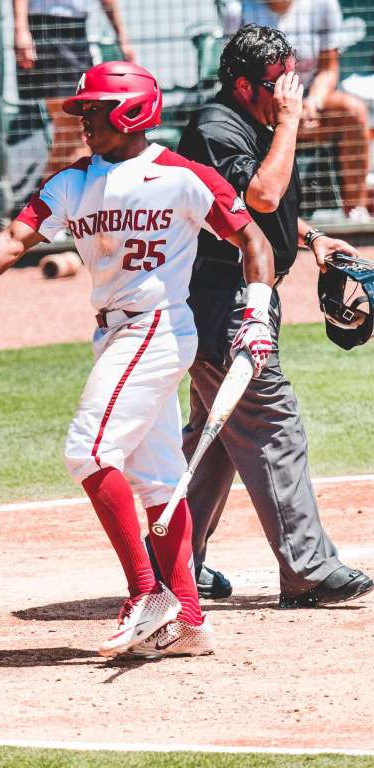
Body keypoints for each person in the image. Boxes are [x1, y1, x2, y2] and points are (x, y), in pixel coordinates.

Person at [0, 61, 275, 657]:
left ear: (131, 112)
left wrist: (256, 312)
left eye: (94, 110)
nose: (83, 120)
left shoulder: (182, 176)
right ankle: (188, 619)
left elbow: (253, 239)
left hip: (156, 327)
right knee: (158, 480)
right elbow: (15, 239)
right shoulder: (72, 182)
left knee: (89, 451)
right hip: (116, 334)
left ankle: (148, 594)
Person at [174, 24, 373, 607]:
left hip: (239, 296)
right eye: (279, 82)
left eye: (294, 79)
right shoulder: (215, 128)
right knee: (270, 423)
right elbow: (259, 196)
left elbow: (260, 211)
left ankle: (174, 561)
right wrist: (289, 122)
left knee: (215, 440)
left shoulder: (253, 125)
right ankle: (308, 570)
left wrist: (311, 238)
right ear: (244, 84)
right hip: (222, 300)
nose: (291, 91)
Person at [223, 0, 370, 221]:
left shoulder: (323, 5)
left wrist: (312, 103)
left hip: (309, 105)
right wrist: (283, 113)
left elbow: (329, 68)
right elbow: (233, 77)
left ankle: (356, 212)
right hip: (261, 106)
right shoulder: (238, 9)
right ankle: (264, 216)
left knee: (353, 111)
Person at [13, 0, 136, 182]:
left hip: (77, 30)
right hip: (46, 28)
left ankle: (48, 197)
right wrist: (21, 29)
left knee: (70, 136)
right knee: (74, 132)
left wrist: (122, 37)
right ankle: (67, 195)